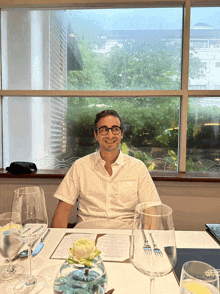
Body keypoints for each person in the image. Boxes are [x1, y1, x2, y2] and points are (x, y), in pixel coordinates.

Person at [51, 109, 161, 229]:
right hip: (86, 236)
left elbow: (151, 213)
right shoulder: (80, 166)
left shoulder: (137, 168)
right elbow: (62, 212)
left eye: (115, 129)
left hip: (126, 236)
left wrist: (149, 244)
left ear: (121, 134)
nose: (110, 135)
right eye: (104, 130)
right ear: (96, 135)